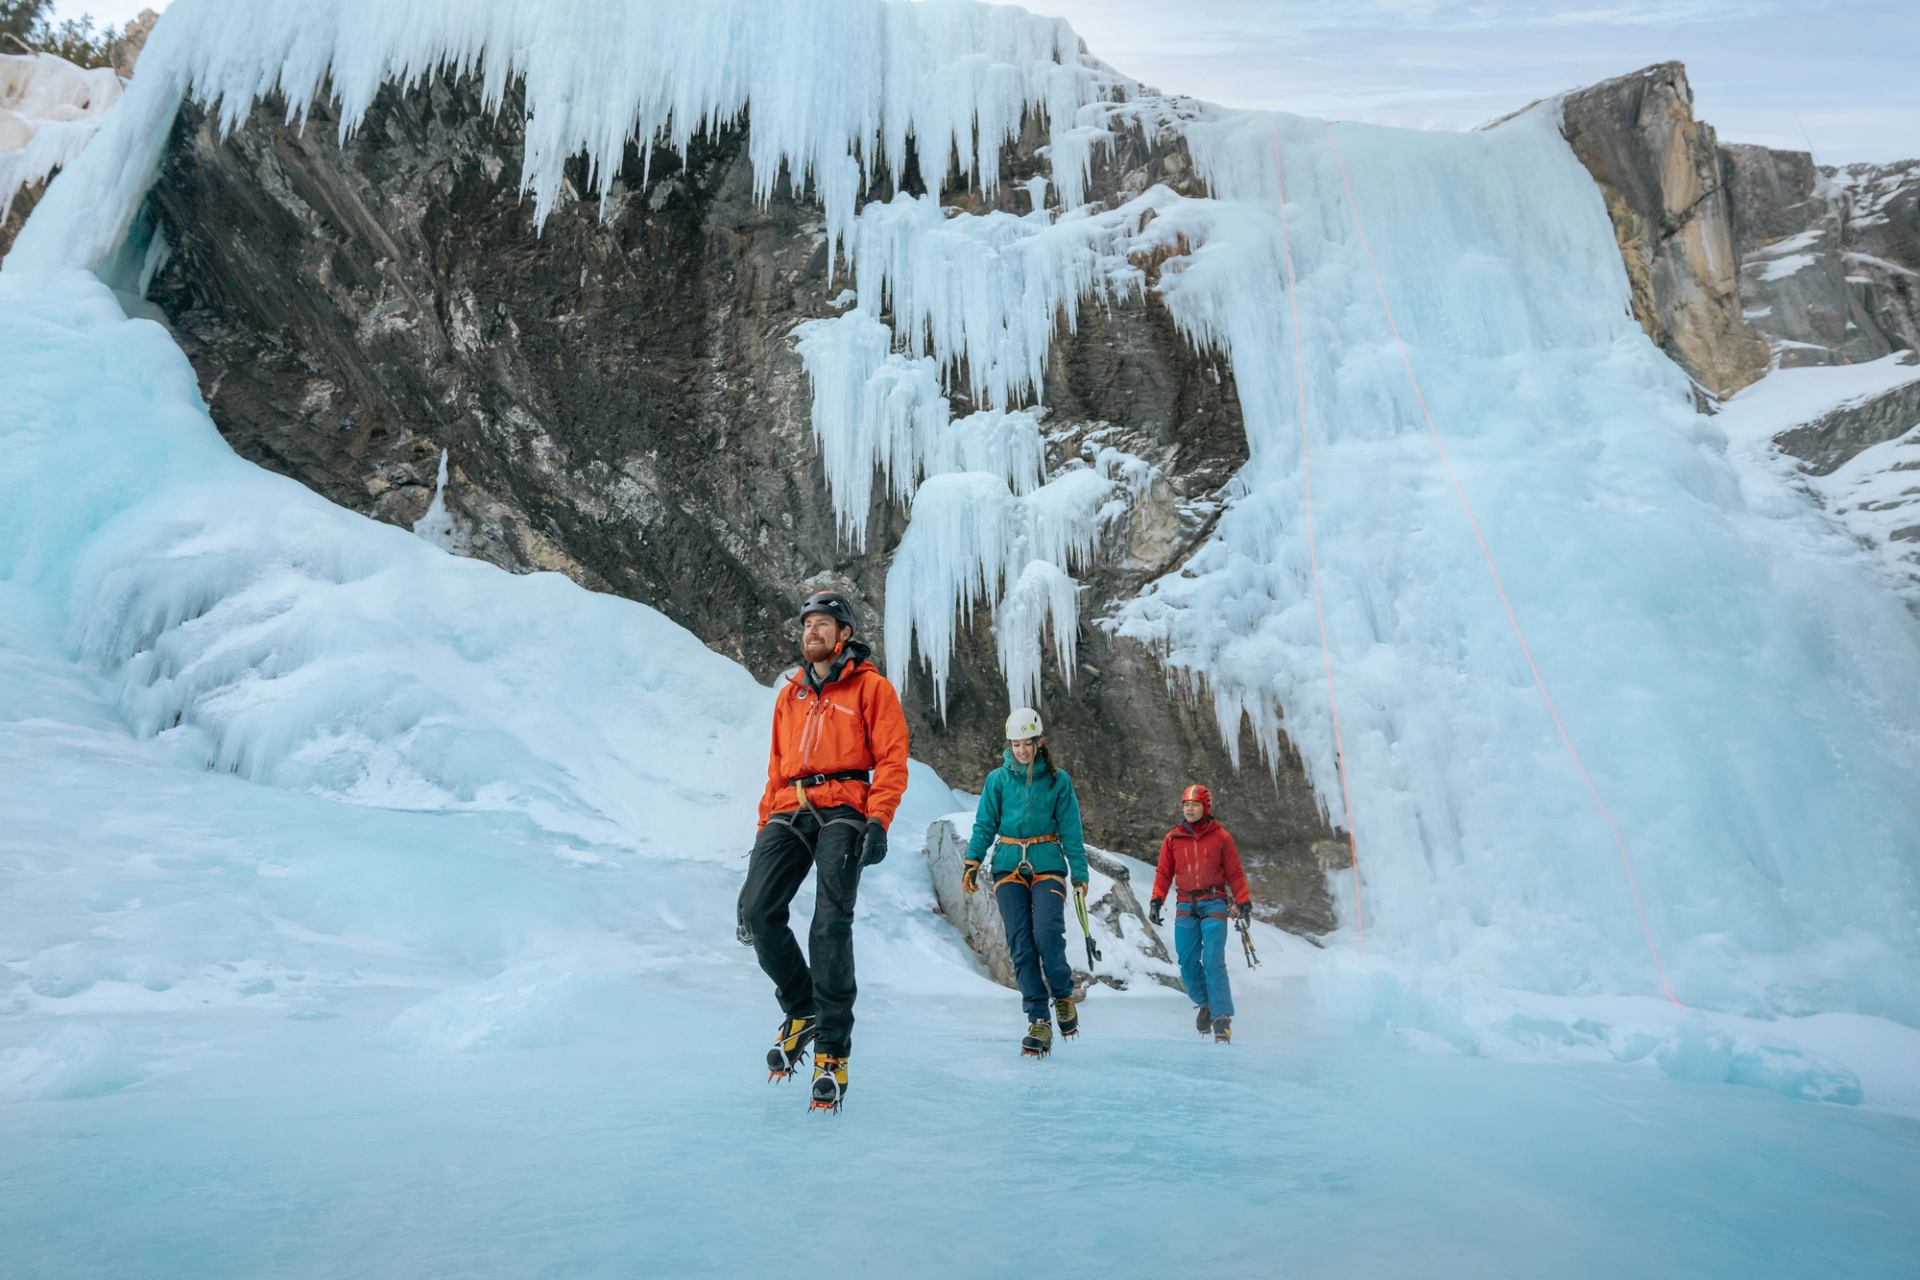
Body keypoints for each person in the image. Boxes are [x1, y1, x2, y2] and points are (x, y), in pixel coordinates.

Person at [736, 590, 909, 1112]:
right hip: (789, 806)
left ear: (843, 635)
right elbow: (774, 765)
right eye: (807, 623)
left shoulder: (872, 689)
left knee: (829, 922)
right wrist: (763, 825)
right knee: (757, 912)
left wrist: (878, 820)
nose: (811, 631)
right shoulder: (789, 693)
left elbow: (893, 759)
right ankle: (801, 1007)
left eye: (822, 624)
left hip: (844, 809)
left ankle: (832, 1046)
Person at [962, 707, 1089, 1058]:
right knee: (1020, 944)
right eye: (1015, 744)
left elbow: (1071, 830)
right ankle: (1038, 1018)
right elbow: (984, 824)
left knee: (1046, 934)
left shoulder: (1057, 780)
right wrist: (972, 861)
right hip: (1007, 865)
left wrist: (1080, 873)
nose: (1021, 750)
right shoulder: (997, 780)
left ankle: (1062, 994)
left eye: (1027, 744)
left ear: (1039, 742)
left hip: (1047, 862)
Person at [1148, 784, 1252, 1043]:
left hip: (1214, 902)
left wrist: (1244, 902)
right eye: (1185, 804)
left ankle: (1222, 1017)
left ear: (1206, 807)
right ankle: (1205, 1003)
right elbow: (1163, 872)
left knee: (1214, 959)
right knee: (1186, 960)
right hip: (1185, 904)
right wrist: (1156, 901)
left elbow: (1235, 873)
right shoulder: (1173, 838)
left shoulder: (1222, 838)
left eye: (1194, 804)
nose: (1189, 809)